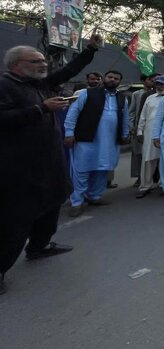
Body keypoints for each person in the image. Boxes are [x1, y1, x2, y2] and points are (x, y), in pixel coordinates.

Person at [0, 35, 102, 295]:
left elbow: (69, 70)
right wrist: (41, 109)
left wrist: (90, 50)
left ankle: (39, 246)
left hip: (49, 159)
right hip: (20, 165)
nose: (43, 64)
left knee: (52, 203)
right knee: (16, 218)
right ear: (16, 65)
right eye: (36, 61)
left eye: (43, 60)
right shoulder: (5, 86)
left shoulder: (40, 83)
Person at [64, 70, 130, 216]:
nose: (112, 80)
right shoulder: (86, 94)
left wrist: (125, 134)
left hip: (110, 142)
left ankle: (94, 196)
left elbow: (125, 118)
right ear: (104, 78)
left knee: (103, 169)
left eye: (116, 78)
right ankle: (77, 202)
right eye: (110, 77)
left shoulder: (122, 98)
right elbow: (73, 113)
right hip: (86, 139)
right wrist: (69, 133)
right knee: (82, 170)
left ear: (119, 82)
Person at [136, 75, 164, 198]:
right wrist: (139, 131)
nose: (160, 86)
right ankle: (145, 186)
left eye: (162, 84)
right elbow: (143, 116)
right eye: (157, 84)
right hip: (149, 133)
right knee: (148, 160)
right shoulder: (150, 98)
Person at [129, 73, 157, 188]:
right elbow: (132, 111)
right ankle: (140, 177)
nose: (153, 83)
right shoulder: (138, 94)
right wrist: (133, 127)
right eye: (151, 80)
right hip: (140, 128)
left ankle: (154, 177)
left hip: (154, 129)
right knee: (139, 153)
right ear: (145, 81)